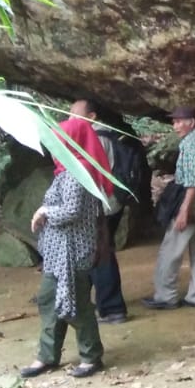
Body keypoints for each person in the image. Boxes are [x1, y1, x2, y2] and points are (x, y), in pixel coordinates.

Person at [20, 116, 108, 379]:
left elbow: (71, 210)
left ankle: (91, 357)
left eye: (62, 140)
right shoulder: (68, 169)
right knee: (50, 300)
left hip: (73, 251)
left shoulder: (77, 172)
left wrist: (44, 211)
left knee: (77, 303)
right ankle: (47, 356)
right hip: (59, 253)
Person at [142, 105, 195, 310]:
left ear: (191, 123)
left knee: (170, 252)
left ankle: (166, 296)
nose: (174, 126)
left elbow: (192, 181)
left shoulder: (191, 144)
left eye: (178, 121)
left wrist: (184, 211)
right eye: (174, 121)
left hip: (192, 207)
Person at [71, 99, 129, 324]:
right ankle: (102, 303)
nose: (70, 120)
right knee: (99, 253)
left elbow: (90, 176)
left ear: (92, 117)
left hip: (100, 206)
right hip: (109, 204)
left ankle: (112, 308)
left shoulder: (96, 139)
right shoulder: (105, 136)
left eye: (75, 115)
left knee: (100, 256)